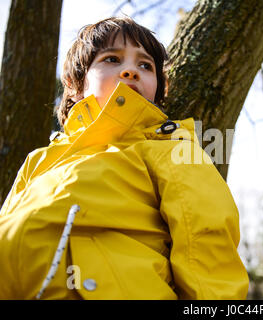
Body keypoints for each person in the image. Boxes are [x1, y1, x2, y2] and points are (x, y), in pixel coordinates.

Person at [0, 17, 249, 300]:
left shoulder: (171, 146)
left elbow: (205, 236)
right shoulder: (41, 158)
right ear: (74, 84)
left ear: (159, 89)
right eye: (112, 59)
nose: (130, 70)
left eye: (145, 65)